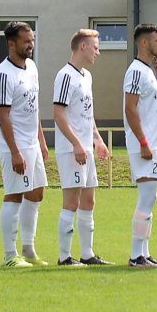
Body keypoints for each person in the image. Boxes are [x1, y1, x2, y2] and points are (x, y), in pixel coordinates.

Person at [52, 28, 110, 265]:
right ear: (83, 46)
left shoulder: (87, 76)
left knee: (89, 201)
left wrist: (97, 140)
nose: (98, 52)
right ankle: (64, 256)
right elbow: (58, 113)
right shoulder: (65, 76)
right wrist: (76, 143)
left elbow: (88, 112)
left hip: (86, 148)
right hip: (71, 150)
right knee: (72, 202)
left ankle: (87, 254)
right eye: (95, 47)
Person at [0, 21, 47, 267]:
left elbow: (34, 107)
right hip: (14, 145)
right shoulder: (3, 75)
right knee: (14, 195)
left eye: (32, 40)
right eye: (26, 41)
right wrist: (15, 152)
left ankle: (28, 249)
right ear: (11, 44)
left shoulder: (31, 67)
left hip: (32, 144)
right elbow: (3, 116)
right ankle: (9, 255)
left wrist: (41, 141)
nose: (31, 45)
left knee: (36, 193)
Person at [124, 25, 157, 267]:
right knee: (146, 198)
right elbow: (130, 109)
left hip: (152, 143)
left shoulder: (147, 70)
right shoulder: (135, 71)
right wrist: (143, 141)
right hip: (143, 144)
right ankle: (135, 256)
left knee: (151, 198)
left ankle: (145, 252)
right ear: (143, 43)